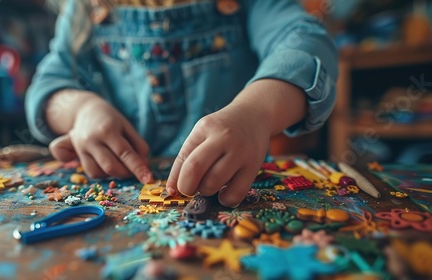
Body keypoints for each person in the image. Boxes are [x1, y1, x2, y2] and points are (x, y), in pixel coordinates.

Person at [26, 0, 338, 207]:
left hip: (235, 195)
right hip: (117, 199)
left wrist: (255, 112)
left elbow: (306, 42)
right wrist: (80, 111)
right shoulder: (84, 7)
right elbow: (48, 84)